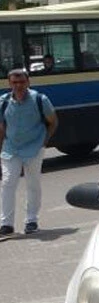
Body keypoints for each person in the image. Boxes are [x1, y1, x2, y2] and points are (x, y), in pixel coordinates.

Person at [0, 68, 58, 237]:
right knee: (8, 183)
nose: (18, 86)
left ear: (28, 82)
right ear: (9, 83)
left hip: (33, 149)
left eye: (22, 82)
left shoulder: (40, 99)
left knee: (33, 184)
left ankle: (31, 220)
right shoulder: (3, 102)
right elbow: (2, 128)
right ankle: (6, 224)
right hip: (10, 150)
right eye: (14, 82)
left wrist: (43, 143)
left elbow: (53, 122)